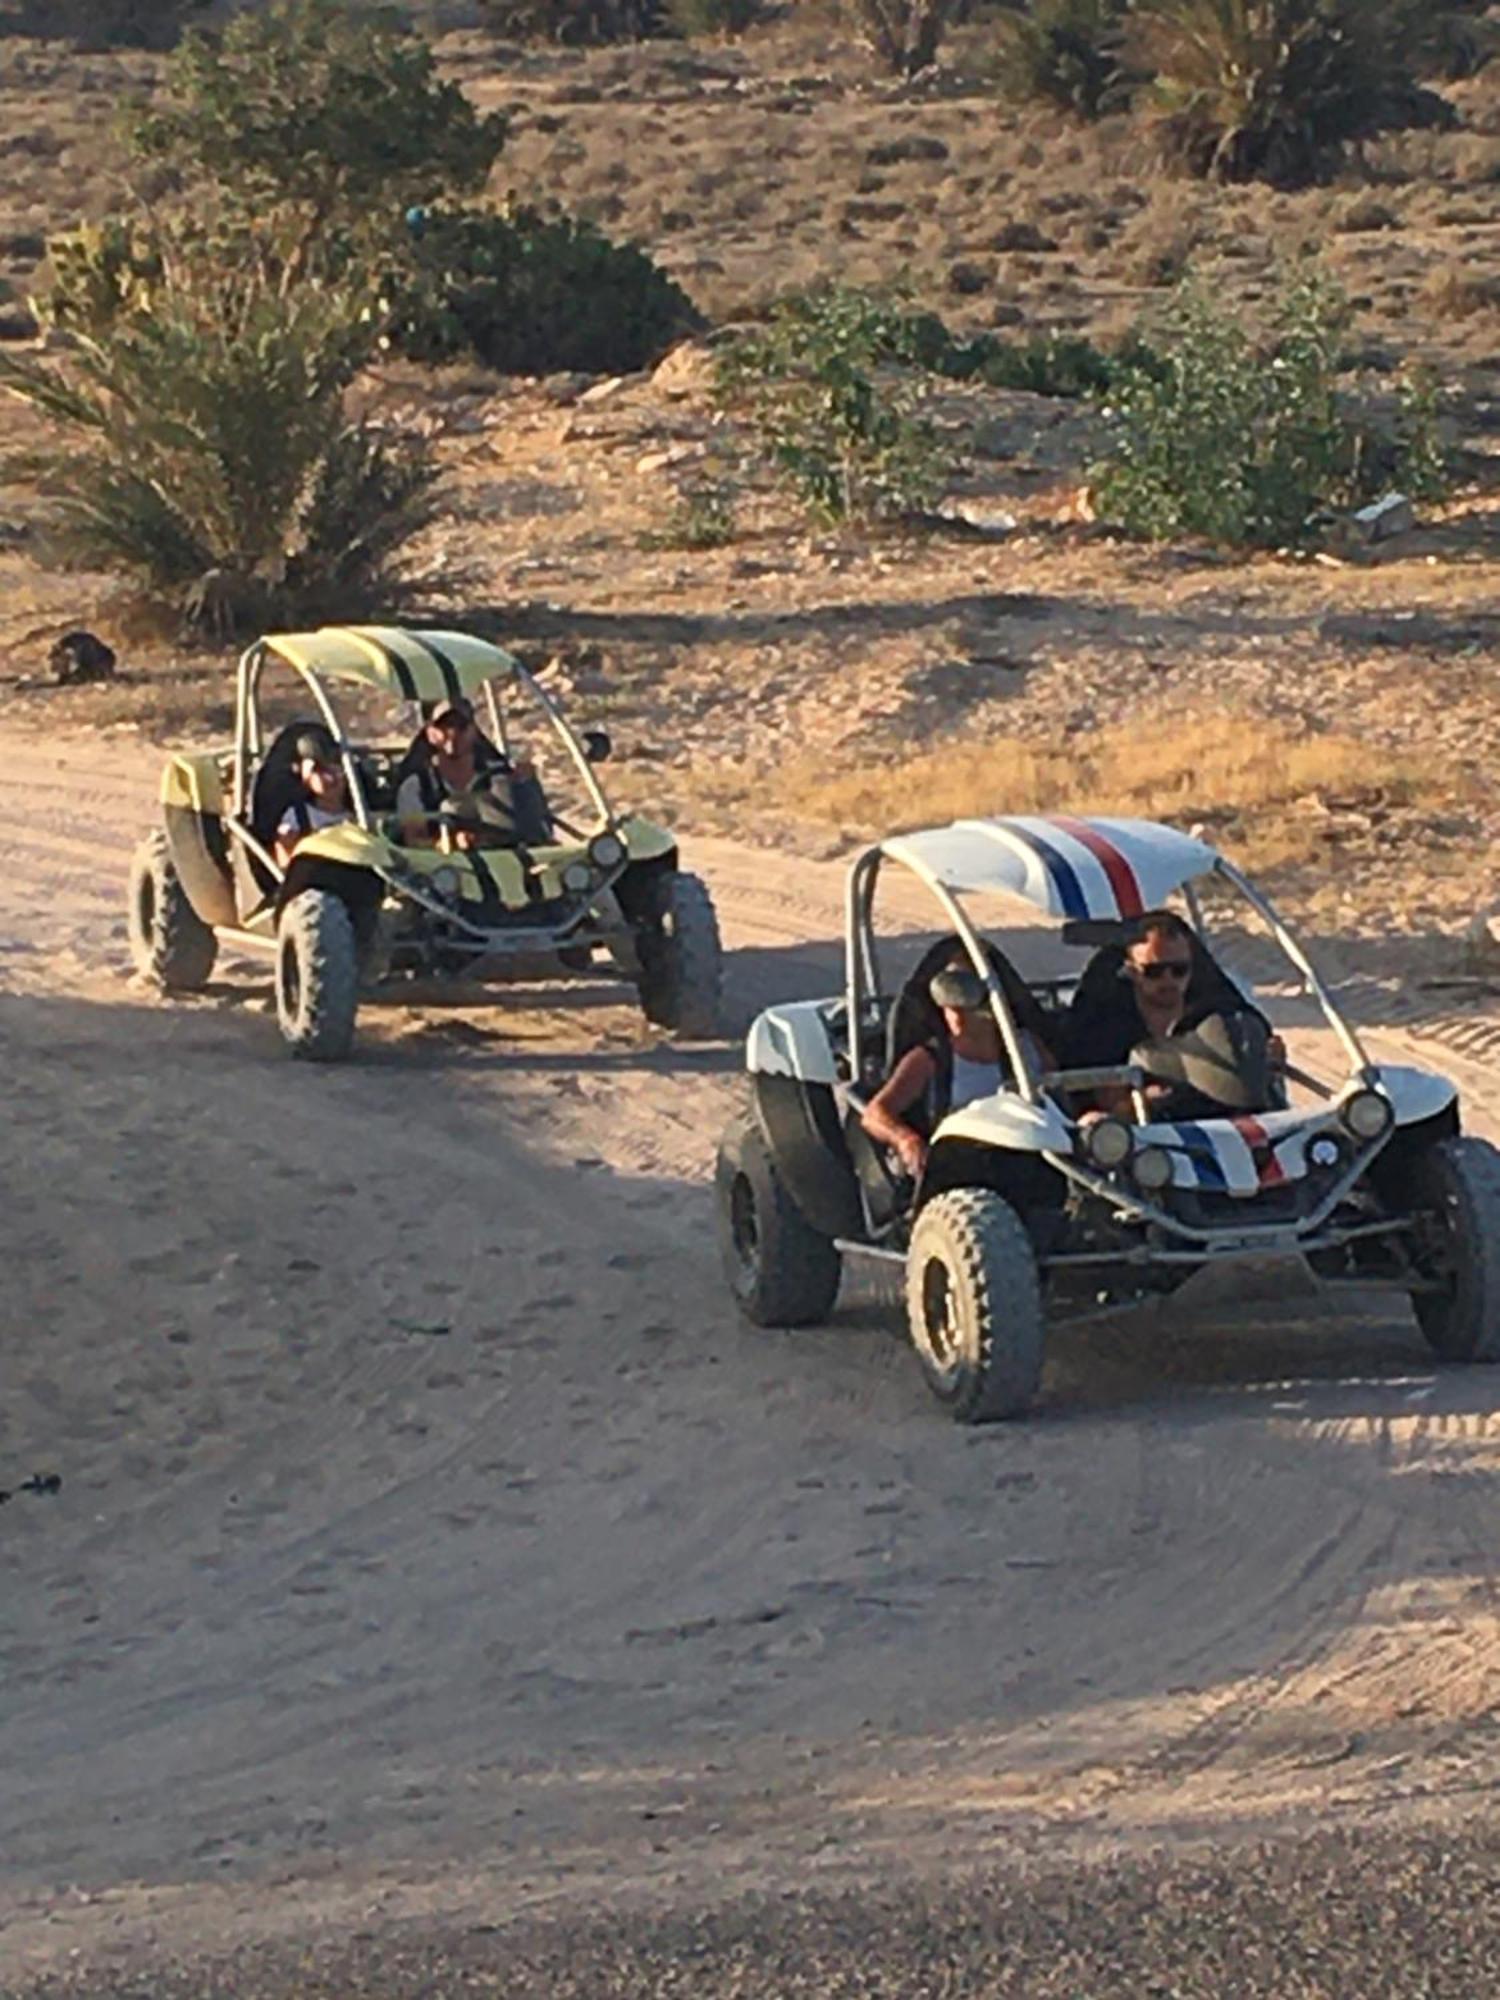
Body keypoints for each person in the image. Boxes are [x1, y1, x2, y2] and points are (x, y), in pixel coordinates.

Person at [1061, 908, 1280, 1118]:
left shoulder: (1215, 1013)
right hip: (1141, 1141)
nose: (1169, 980)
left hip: (1220, 1126)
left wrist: (1264, 1053)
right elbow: (1095, 1099)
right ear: (1131, 971)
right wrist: (1137, 1103)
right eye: (1154, 972)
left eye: (1179, 969)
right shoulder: (1105, 1027)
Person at [862, 956, 1053, 1182]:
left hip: (1029, 1158)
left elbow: (1059, 1097)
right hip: (960, 1171)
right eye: (948, 1003)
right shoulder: (930, 1059)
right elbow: (875, 1114)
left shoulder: (1028, 1048)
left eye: (965, 1002)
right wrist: (905, 1139)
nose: (955, 1014)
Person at [394, 697, 550, 849]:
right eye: (445, 726)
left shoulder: (501, 775)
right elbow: (413, 840)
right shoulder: (417, 786)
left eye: (461, 726)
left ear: (473, 730)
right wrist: (447, 843)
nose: (453, 734)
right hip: (448, 869)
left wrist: (526, 786)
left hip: (509, 860)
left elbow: (536, 831)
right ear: (430, 734)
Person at [273, 729, 352, 868]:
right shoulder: (298, 817)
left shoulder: (360, 813)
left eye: (336, 770)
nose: (330, 778)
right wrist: (287, 845)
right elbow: (286, 868)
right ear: (306, 778)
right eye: (320, 771)